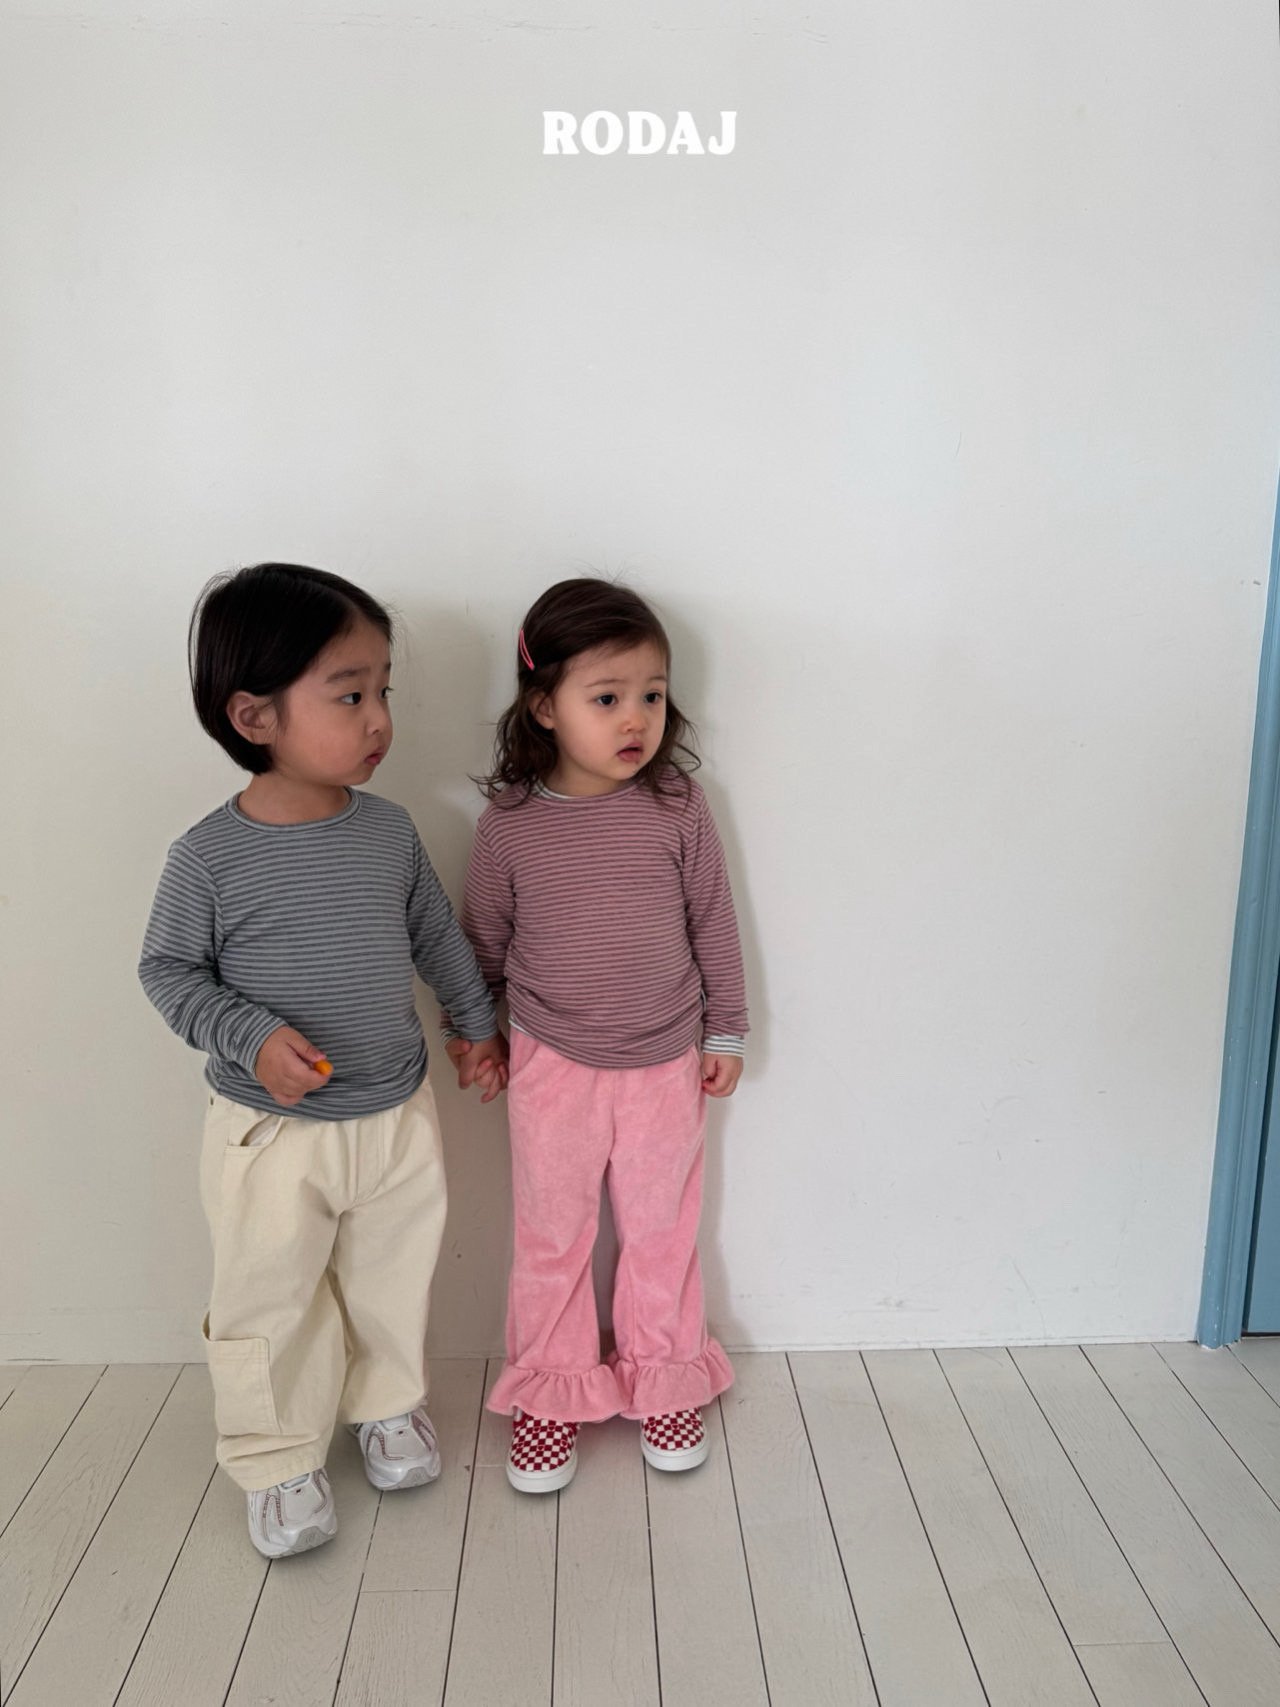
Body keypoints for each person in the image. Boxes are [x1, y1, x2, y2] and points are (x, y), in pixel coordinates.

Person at [139, 563, 507, 1557]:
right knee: (270, 1297)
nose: (380, 718)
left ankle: (385, 1404)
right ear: (254, 716)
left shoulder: (386, 832)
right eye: (350, 695)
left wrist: (474, 1023)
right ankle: (276, 1456)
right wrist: (251, 1035)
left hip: (394, 1112)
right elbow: (167, 971)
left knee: (394, 1274)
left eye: (384, 689)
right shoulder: (208, 858)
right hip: (273, 1135)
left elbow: (434, 936)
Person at [448, 576, 747, 1492]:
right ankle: (551, 1391)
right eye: (607, 697)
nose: (636, 719)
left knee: (661, 1231)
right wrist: (476, 1033)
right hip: (551, 1060)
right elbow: (482, 942)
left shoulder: (679, 807)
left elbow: (713, 923)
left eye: (652, 695)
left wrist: (726, 1030)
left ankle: (664, 1376)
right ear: (545, 706)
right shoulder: (510, 827)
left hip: (666, 1058)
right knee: (552, 1234)